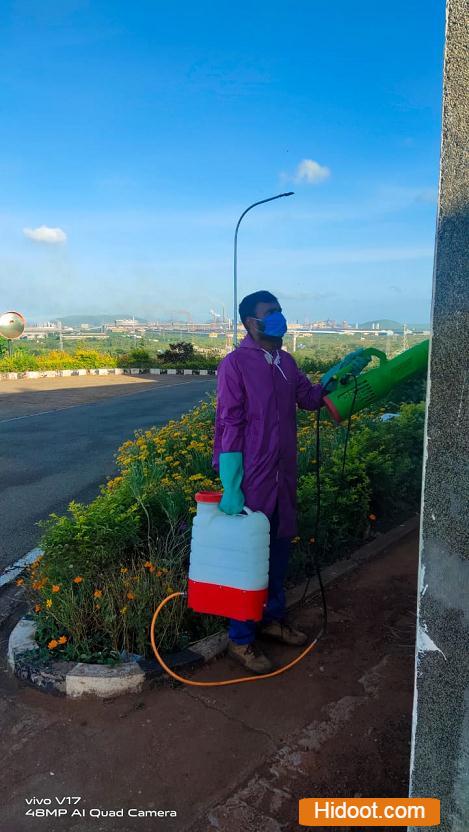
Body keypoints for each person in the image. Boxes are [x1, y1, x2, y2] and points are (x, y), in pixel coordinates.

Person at [212, 290, 370, 673]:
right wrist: (231, 484)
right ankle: (241, 639)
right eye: (272, 313)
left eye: (281, 311)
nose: (280, 318)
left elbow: (310, 397)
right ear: (252, 322)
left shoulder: (286, 361)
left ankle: (271, 619)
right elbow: (228, 424)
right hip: (252, 480)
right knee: (250, 559)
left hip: (283, 476)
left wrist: (336, 379)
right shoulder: (234, 365)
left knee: (279, 552)